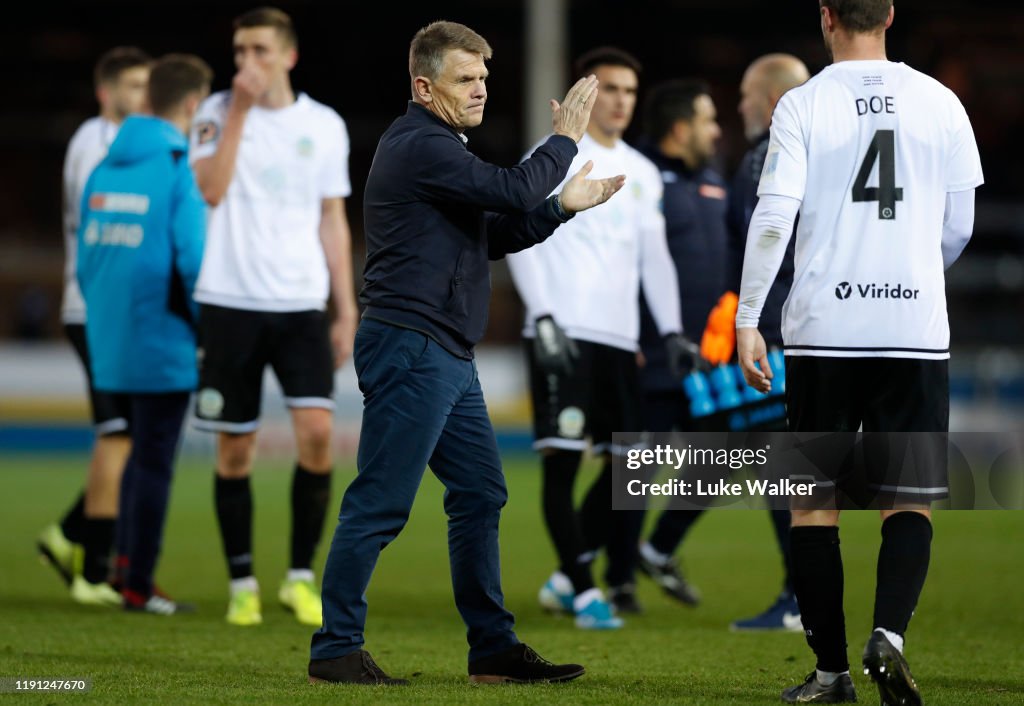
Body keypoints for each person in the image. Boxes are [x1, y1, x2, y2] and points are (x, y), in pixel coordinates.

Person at [309, 21, 624, 685]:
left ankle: (492, 650)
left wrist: (562, 207)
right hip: (411, 344)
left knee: (481, 492)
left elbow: (496, 233)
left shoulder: (440, 147)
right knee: (381, 502)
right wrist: (565, 138)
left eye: (484, 77)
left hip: (443, 351)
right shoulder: (421, 143)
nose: (481, 89)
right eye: (465, 79)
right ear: (425, 87)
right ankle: (334, 648)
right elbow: (510, 191)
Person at [736, 1, 982, 703]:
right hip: (913, 331)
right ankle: (891, 637)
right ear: (891, 14)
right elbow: (957, 225)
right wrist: (906, 272)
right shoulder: (941, 101)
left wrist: (750, 315)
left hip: (823, 331)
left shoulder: (803, 103)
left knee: (813, 505)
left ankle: (830, 672)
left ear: (825, 17)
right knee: (910, 498)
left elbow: (775, 212)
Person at [507, 48, 693, 628]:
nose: (619, 100)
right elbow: (516, 235)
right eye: (609, 88)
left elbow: (654, 258)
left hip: (617, 338)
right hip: (562, 331)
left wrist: (671, 330)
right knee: (562, 468)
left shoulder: (640, 169)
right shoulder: (553, 154)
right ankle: (587, 592)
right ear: (585, 92)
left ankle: (567, 578)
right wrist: (541, 315)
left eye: (629, 91)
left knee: (625, 474)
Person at [189, 7, 358, 628]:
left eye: (258, 50)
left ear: (287, 56)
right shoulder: (213, 113)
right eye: (239, 52)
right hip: (229, 300)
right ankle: (242, 582)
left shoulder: (324, 125)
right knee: (236, 448)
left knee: (317, 435)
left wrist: (345, 307)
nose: (246, 64)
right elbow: (210, 188)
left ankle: (297, 576)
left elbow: (331, 219)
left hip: (300, 304)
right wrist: (237, 109)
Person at [77, 53, 212, 615]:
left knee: (133, 453)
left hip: (110, 336)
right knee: (154, 458)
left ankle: (121, 571)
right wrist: (209, 331)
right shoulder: (176, 165)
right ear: (190, 104)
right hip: (164, 338)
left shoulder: (104, 167)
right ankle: (137, 584)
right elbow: (193, 261)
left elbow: (85, 258)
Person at [38, 46, 150, 607]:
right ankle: (94, 569)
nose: (143, 95)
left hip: (115, 311)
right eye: (133, 85)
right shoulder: (95, 144)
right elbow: (99, 227)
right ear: (106, 92)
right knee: (120, 436)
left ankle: (69, 535)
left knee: (129, 436)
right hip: (98, 309)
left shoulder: (125, 143)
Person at [629, 79, 725, 610]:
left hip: (708, 357)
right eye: (709, 120)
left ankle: (656, 547)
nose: (716, 131)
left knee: (729, 450)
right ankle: (607, 576)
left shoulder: (713, 179)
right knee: (635, 468)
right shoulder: (640, 175)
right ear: (681, 127)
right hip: (652, 349)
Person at [723, 54, 809, 632]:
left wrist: (747, 319)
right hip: (826, 323)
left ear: (774, 101)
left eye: (748, 95)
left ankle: (799, 596)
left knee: (780, 466)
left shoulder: (767, 157)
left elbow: (761, 239)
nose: (740, 107)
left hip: (774, 329)